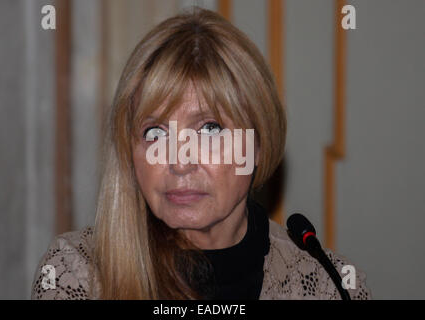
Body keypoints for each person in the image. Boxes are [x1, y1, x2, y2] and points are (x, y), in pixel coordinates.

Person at [31, 7, 371, 300]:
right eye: (155, 133)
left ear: (258, 145)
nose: (179, 161)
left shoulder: (330, 285)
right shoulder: (76, 274)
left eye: (210, 129)